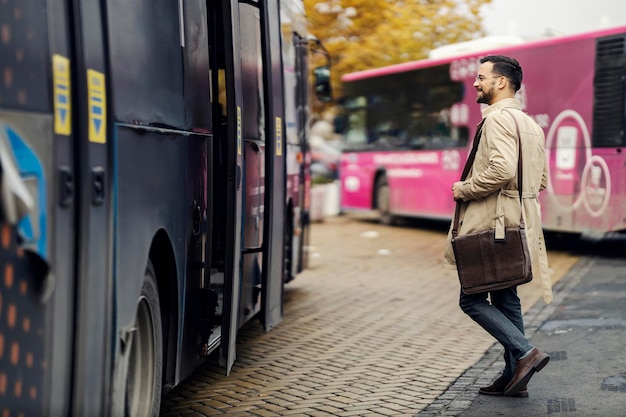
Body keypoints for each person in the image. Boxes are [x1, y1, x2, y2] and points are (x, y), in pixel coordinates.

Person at [443, 55, 553, 397]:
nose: (475, 83)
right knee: (506, 296)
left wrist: (464, 188)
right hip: (521, 223)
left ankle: (525, 353)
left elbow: (502, 170)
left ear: (501, 82)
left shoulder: (496, 121)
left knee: (471, 298)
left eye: (481, 77)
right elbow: (543, 180)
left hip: (495, 223)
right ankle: (512, 378)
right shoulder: (530, 124)